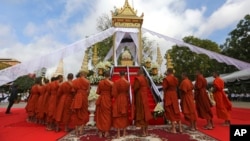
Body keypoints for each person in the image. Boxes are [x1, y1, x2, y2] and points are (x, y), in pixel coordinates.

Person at [133, 69, 153, 136]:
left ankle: (143, 132)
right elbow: (147, 86)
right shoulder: (146, 79)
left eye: (137, 72)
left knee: (141, 113)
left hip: (140, 97)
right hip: (145, 97)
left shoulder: (138, 79)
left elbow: (135, 88)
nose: (136, 73)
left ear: (139, 73)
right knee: (146, 113)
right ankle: (146, 131)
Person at [162, 68, 182, 133]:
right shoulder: (176, 79)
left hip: (169, 95)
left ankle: (174, 129)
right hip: (174, 95)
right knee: (176, 110)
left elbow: (164, 87)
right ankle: (180, 128)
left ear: (168, 72)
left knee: (171, 111)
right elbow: (176, 86)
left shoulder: (166, 79)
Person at [71, 70, 90, 136]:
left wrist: (76, 96)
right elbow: (88, 91)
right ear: (84, 74)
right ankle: (81, 130)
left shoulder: (75, 81)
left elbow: (73, 91)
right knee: (84, 112)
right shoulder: (87, 81)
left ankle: (76, 131)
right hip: (84, 96)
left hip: (77, 96)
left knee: (76, 113)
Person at [112, 71, 130, 138]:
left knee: (118, 115)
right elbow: (128, 93)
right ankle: (124, 133)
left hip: (118, 99)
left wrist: (117, 97)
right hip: (124, 98)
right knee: (124, 115)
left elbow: (114, 93)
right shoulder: (127, 83)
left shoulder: (116, 82)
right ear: (125, 74)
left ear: (119, 75)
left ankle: (118, 134)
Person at [96, 71, 113, 137]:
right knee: (107, 115)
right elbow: (113, 93)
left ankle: (100, 131)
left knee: (100, 115)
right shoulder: (112, 83)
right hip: (107, 99)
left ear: (104, 76)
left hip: (101, 99)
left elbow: (98, 92)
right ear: (109, 76)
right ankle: (106, 132)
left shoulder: (100, 82)